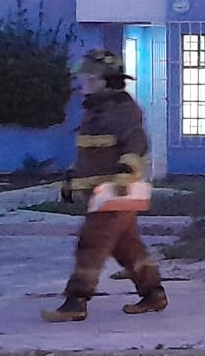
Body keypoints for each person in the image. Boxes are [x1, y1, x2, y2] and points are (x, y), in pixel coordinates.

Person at [42, 48, 167, 322]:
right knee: (127, 247)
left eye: (89, 76)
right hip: (101, 194)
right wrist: (72, 181)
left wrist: (126, 171)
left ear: (105, 80)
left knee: (90, 245)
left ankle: (76, 301)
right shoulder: (96, 110)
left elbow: (136, 142)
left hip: (114, 193)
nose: (83, 81)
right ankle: (153, 294)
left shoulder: (121, 109)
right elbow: (91, 155)